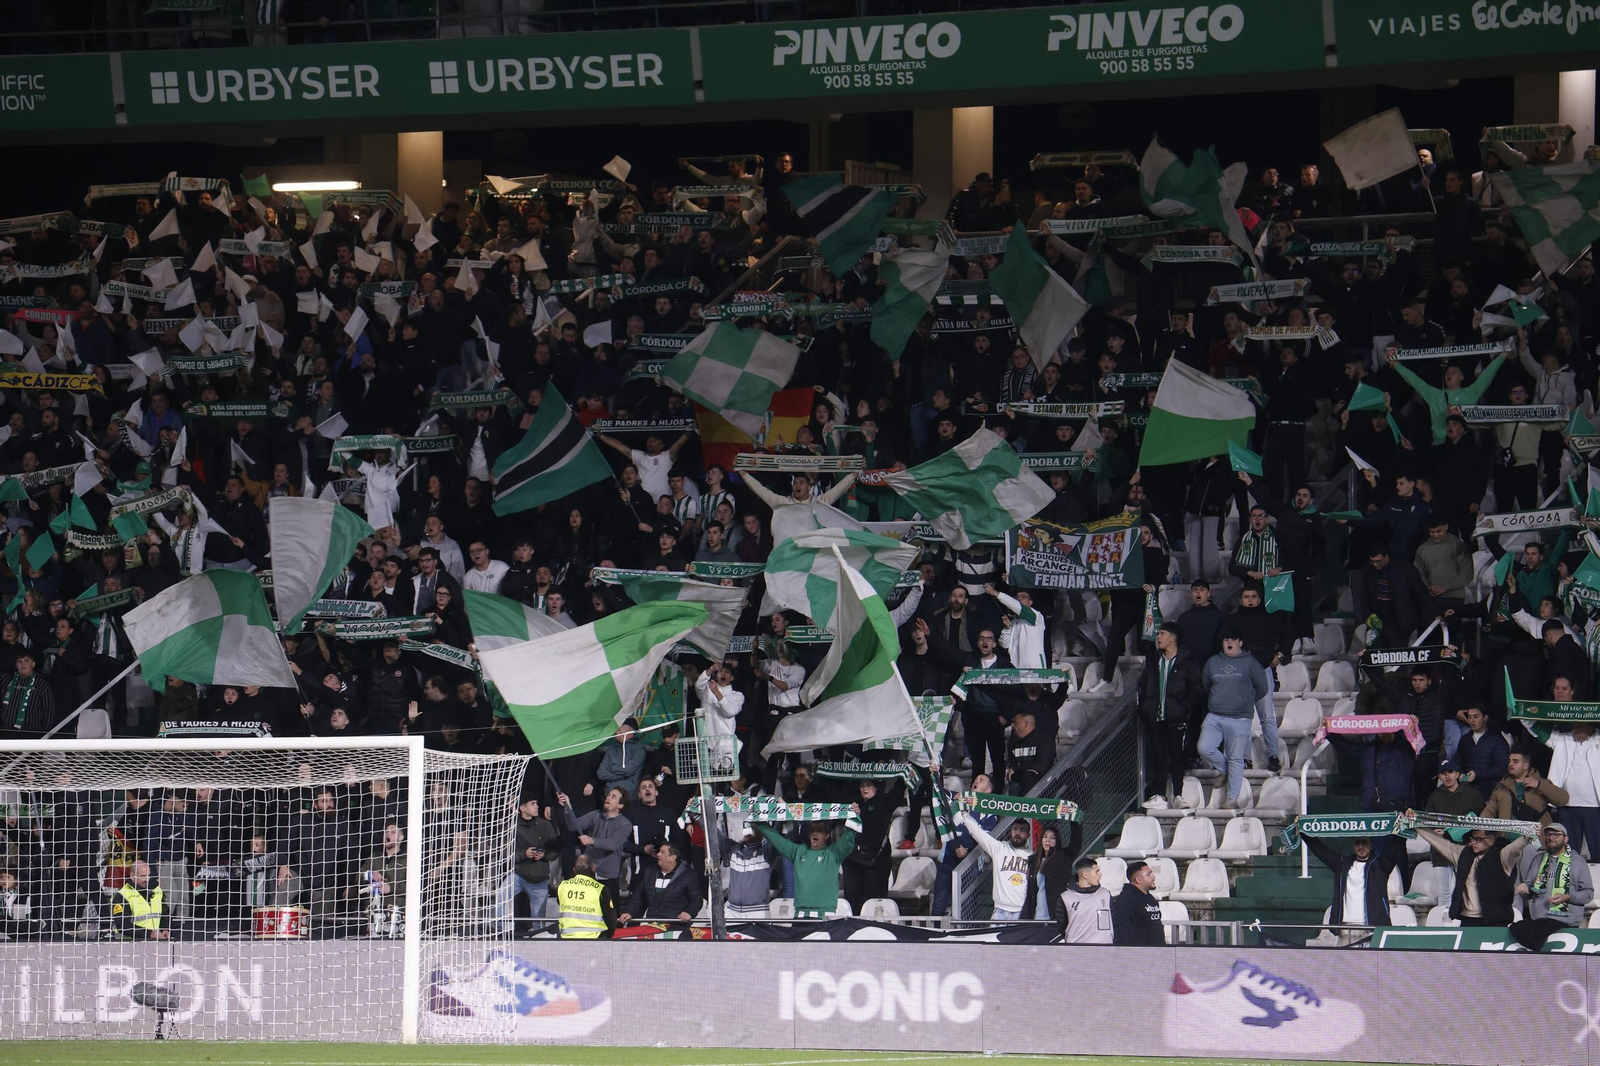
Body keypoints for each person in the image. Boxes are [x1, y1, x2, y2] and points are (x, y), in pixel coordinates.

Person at [1198, 629, 1269, 808]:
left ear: (1240, 643)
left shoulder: (1250, 662)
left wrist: (1244, 702)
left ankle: (1232, 799)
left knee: (1236, 758)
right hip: (1215, 715)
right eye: (1226, 640)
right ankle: (1225, 769)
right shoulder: (1212, 662)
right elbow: (1206, 685)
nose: (1229, 642)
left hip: (1239, 718)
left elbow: (1262, 687)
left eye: (1233, 639)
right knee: (1204, 747)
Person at [1411, 818, 1527, 926]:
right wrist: (1416, 825)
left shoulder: (1503, 855)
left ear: (1491, 840)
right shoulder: (1463, 854)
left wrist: (1528, 835)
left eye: (1478, 839)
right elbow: (1438, 842)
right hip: (1467, 920)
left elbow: (1516, 847)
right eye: (1472, 839)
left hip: (1496, 921)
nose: (1474, 842)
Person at [1137, 621, 1203, 805]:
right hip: (1156, 717)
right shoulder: (1153, 660)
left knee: (1176, 757)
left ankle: (1178, 795)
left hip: (1176, 717)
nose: (1158, 637)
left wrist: (1184, 708)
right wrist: (1144, 708)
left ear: (1173, 638)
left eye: (1162, 634)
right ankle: (1160, 796)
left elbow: (1195, 689)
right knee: (1158, 757)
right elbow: (1143, 685)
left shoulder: (1187, 662)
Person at [1523, 720, 1600, 860]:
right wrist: (1521, 713)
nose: (1576, 728)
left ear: (1591, 726)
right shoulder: (1562, 740)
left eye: (1581, 725)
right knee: (1568, 852)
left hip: (1595, 807)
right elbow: (1536, 730)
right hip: (1568, 806)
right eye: (1574, 725)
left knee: (1598, 851)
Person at [1511, 822, 1595, 949]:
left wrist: (1568, 897)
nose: (1551, 838)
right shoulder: (1538, 859)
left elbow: (1588, 894)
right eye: (1548, 835)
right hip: (1540, 920)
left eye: (1556, 835)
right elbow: (1530, 889)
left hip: (1567, 922)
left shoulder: (1578, 861)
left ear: (1565, 839)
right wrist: (1525, 890)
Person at [756, 814, 857, 918]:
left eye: (819, 830)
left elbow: (848, 838)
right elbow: (775, 838)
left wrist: (854, 816)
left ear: (827, 835)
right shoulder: (798, 852)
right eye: (812, 830)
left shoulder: (834, 853)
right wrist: (758, 820)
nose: (815, 833)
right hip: (800, 917)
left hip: (824, 917)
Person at [1304, 833, 1406, 934]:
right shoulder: (1342, 864)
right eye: (1357, 843)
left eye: (1364, 843)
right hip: (1345, 927)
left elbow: (1395, 847)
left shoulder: (1380, 865)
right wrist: (1303, 832)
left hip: (1371, 928)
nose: (1361, 846)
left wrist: (1404, 829)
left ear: (1371, 845)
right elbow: (1319, 849)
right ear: (1353, 846)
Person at [957, 810, 1032, 920]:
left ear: (1028, 835)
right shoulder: (999, 848)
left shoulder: (1032, 856)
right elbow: (978, 833)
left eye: (1022, 830)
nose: (1017, 833)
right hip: (1000, 911)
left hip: (1021, 911)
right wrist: (965, 815)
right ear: (1010, 831)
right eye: (1015, 829)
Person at [620, 842, 702, 926]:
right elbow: (639, 895)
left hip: (676, 926)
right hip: (652, 924)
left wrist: (689, 912)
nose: (658, 854)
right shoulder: (650, 871)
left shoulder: (687, 875)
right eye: (659, 851)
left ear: (672, 857)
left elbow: (697, 899)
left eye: (662, 852)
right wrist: (629, 912)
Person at [1482, 748, 1569, 827]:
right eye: (1509, 761)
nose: (1510, 764)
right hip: (1506, 837)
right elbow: (1490, 809)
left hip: (1535, 837)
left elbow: (1563, 799)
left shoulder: (1541, 783)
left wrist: (1538, 785)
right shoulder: (1502, 786)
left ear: (1525, 766)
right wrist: (1480, 826)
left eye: (1515, 761)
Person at [512, 795, 559, 937]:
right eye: (533, 804)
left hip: (539, 878)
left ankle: (536, 937)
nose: (537, 806)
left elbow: (555, 851)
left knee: (538, 921)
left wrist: (544, 855)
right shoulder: (512, 826)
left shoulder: (545, 825)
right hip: (518, 875)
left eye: (537, 803)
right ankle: (500, 931)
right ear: (522, 808)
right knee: (501, 897)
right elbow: (503, 853)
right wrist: (524, 854)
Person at [554, 854, 616, 939]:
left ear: (574, 869)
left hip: (567, 937)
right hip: (595, 937)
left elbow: (560, 902)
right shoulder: (599, 888)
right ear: (593, 868)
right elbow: (610, 916)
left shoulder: (563, 886)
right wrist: (608, 935)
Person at [1061, 856, 1113, 943]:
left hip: (1105, 948)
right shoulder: (1065, 897)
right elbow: (1063, 926)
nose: (1100, 874)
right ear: (1085, 875)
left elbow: (1114, 922)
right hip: (1076, 949)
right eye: (1096, 871)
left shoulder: (1106, 894)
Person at [1112, 860, 1164, 945]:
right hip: (1139, 951)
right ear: (1138, 880)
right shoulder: (1126, 899)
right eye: (1148, 874)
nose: (1153, 876)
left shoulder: (1150, 898)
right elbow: (1123, 930)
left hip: (1157, 950)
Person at [112, 860, 167, 940]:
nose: (147, 879)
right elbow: (123, 925)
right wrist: (149, 934)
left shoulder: (156, 890)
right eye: (143, 876)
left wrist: (165, 929)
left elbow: (165, 913)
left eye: (148, 875)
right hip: (130, 942)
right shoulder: (122, 895)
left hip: (156, 940)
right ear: (132, 876)